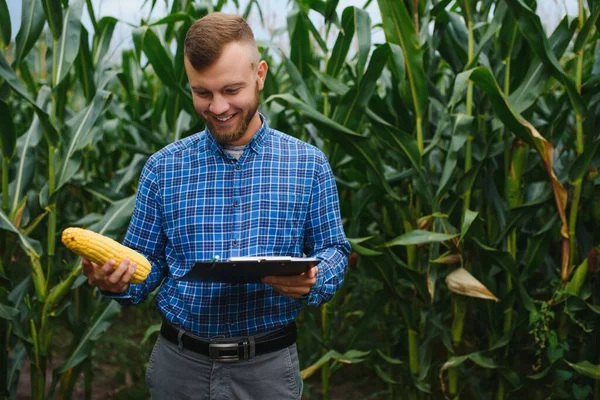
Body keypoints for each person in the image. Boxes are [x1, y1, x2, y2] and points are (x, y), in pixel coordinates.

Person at [81, 12, 351, 400]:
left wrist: (315, 277)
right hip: (179, 368)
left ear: (260, 74)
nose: (218, 107)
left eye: (231, 90)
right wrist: (116, 281)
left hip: (268, 371)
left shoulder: (308, 164)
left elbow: (334, 249)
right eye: (202, 93)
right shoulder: (164, 168)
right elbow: (148, 267)